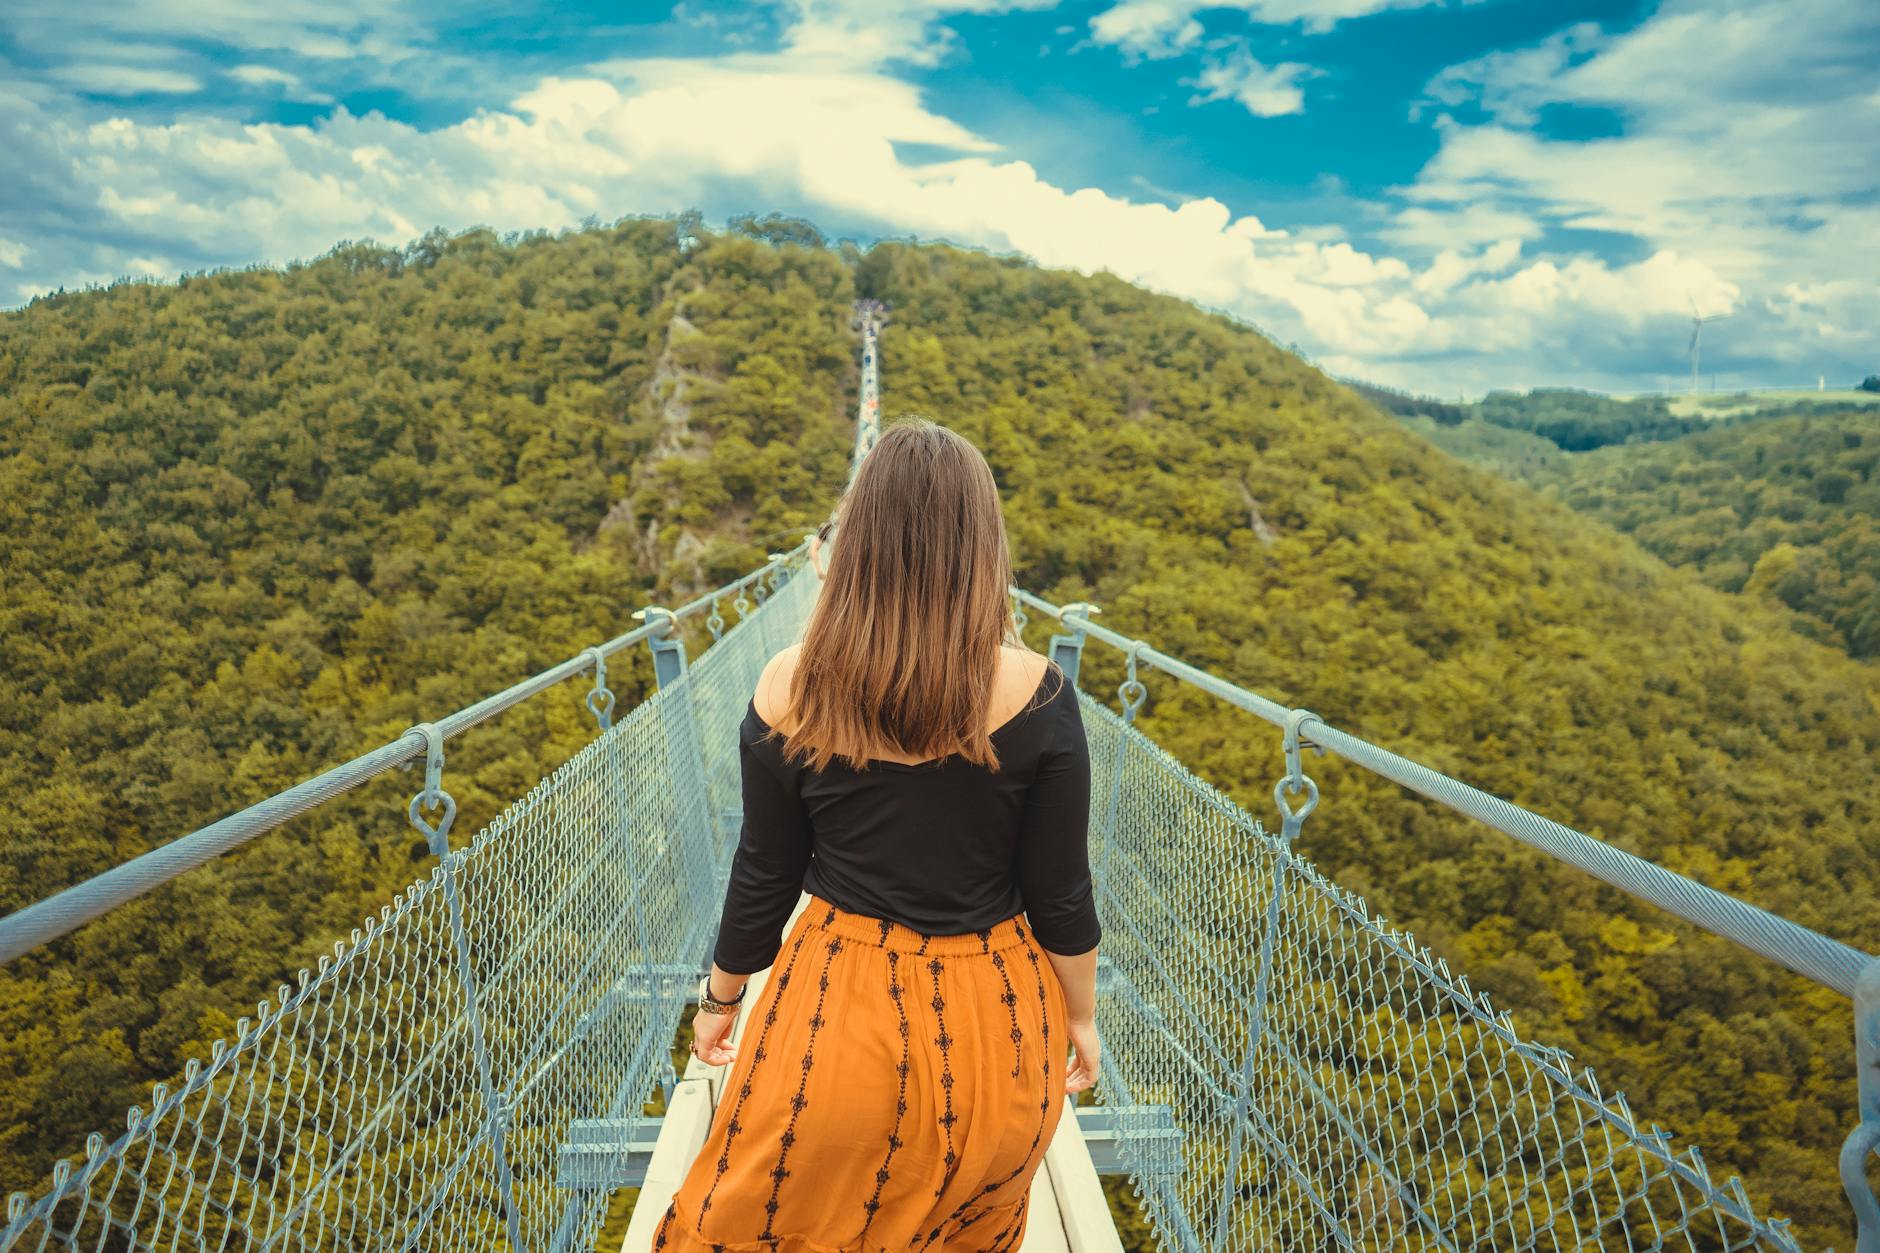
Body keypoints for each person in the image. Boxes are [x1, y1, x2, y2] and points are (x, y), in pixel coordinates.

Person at [654, 417, 1103, 1250]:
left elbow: (765, 870)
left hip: (835, 1016)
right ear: (983, 547)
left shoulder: (790, 683)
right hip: (998, 1028)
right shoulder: (1040, 690)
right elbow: (1061, 894)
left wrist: (719, 998)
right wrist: (1080, 1016)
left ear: (851, 542)